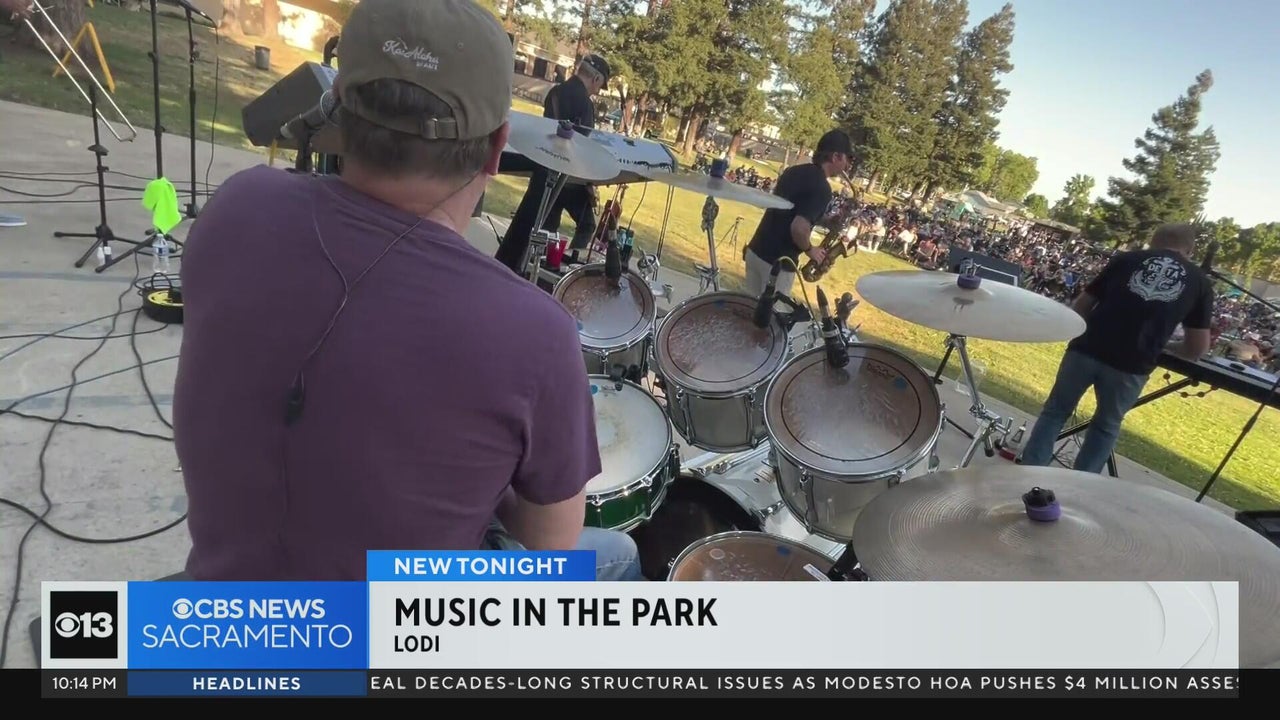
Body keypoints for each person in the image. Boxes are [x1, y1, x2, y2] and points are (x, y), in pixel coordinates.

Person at [172, 0, 642, 582]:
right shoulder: (536, 333)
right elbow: (550, 544)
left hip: (220, 600)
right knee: (618, 554)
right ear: (498, 147)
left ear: (336, 102)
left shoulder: (236, 208)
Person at [1018, 223, 1214, 473]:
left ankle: (1029, 472)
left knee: (1055, 413)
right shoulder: (1199, 282)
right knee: (1105, 426)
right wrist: (1165, 346)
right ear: (1190, 250)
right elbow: (1197, 348)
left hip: (1086, 349)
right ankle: (1080, 486)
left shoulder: (1126, 259)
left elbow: (1082, 305)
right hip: (1132, 365)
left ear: (1154, 240)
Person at [494, 53, 611, 274]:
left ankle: (522, 265)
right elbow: (582, 145)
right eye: (599, 86)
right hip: (567, 176)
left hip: (544, 166)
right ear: (595, 79)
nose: (597, 91)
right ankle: (570, 267)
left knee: (539, 224)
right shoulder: (585, 104)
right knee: (587, 224)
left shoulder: (555, 92)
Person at [742, 129, 854, 297]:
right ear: (835, 156)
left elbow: (790, 210)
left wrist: (826, 220)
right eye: (848, 159)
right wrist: (810, 250)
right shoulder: (822, 188)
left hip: (756, 251)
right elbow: (798, 228)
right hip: (778, 263)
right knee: (773, 314)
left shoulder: (793, 171)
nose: (848, 166)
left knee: (749, 308)